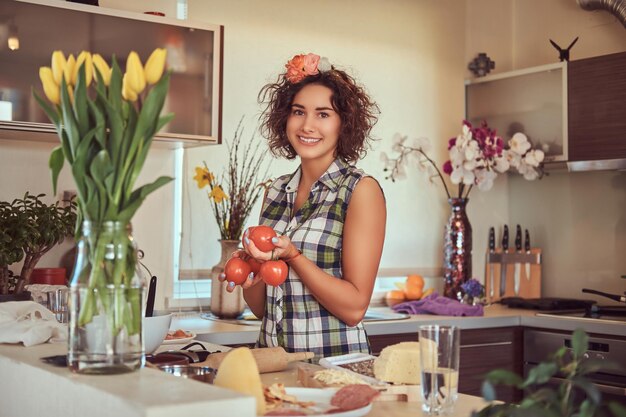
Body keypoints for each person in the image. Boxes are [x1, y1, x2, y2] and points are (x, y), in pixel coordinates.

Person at [219, 53, 386, 359]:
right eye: (299, 112)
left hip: (336, 368)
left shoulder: (360, 191)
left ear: (343, 124)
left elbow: (355, 308)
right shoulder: (276, 191)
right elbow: (262, 309)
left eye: (323, 114)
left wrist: (293, 256)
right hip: (276, 366)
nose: (307, 125)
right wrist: (247, 275)